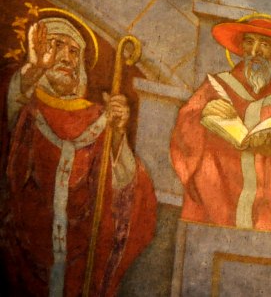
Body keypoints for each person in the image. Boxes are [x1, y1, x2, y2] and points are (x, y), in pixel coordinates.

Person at [0, 16, 156, 296]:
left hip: (80, 261)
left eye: (74, 51)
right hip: (21, 254)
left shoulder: (98, 118)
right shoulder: (25, 105)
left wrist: (117, 134)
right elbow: (9, 113)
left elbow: (124, 187)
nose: (66, 58)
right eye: (56, 46)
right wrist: (35, 68)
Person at [170, 15, 271, 232]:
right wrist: (204, 114)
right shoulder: (219, 86)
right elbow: (185, 128)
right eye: (249, 42)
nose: (254, 52)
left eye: (264, 44)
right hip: (221, 195)